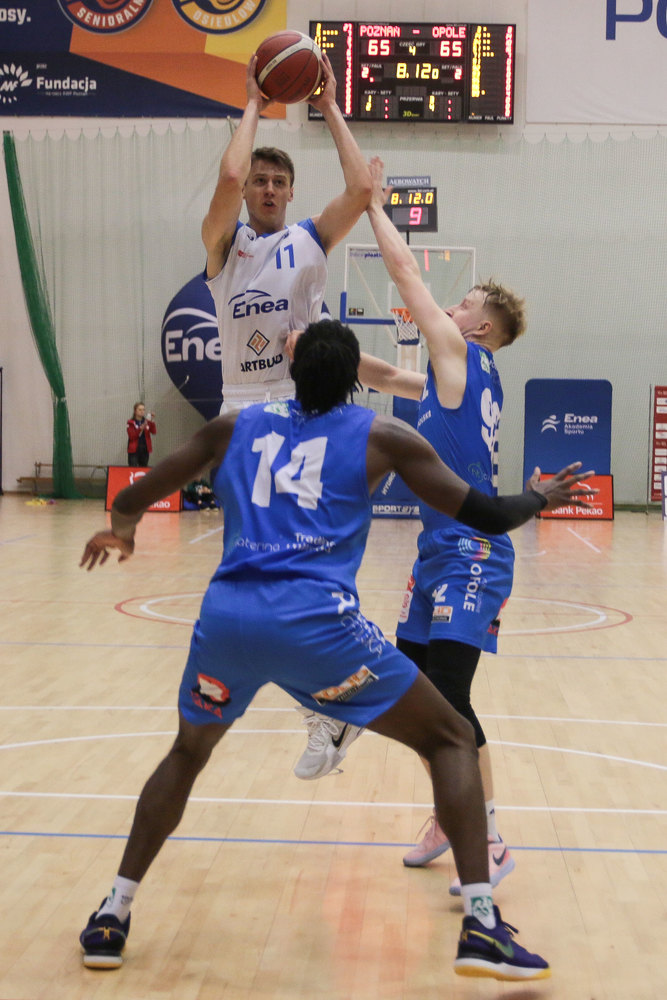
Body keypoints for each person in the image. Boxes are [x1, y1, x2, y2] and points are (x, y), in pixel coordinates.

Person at [77, 320, 593, 980]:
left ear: (292, 374)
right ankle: (482, 924)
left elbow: (130, 497)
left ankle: (113, 913)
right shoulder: (382, 436)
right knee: (451, 738)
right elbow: (488, 516)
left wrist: (122, 534)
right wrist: (541, 496)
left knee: (186, 754)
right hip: (317, 627)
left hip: (228, 623)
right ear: (356, 380)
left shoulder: (233, 427)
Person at [324, 155, 537, 894]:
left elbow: (405, 274)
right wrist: (314, 343)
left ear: (481, 325)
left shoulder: (462, 355)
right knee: (418, 696)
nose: (450, 305)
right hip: (437, 551)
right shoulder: (459, 375)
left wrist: (372, 204)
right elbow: (383, 376)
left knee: (450, 700)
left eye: (463, 301)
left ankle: (489, 835)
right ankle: (451, 814)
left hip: (473, 549)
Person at [202, 50, 372, 772]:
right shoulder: (225, 247)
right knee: (253, 573)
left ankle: (329, 704)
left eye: (279, 181)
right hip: (242, 417)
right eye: (261, 181)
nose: (267, 188)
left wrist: (327, 105)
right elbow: (227, 175)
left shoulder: (309, 239)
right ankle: (329, 700)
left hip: (304, 414)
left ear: (292, 191)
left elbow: (361, 189)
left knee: (300, 568)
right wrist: (253, 99)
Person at [126, 403, 156, 468]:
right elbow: (131, 436)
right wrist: (140, 429)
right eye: (140, 410)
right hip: (134, 450)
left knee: (143, 468)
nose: (142, 411)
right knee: (133, 468)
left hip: (145, 449)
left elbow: (154, 432)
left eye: (143, 409)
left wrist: (152, 420)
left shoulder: (147, 421)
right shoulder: (130, 422)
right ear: (135, 411)